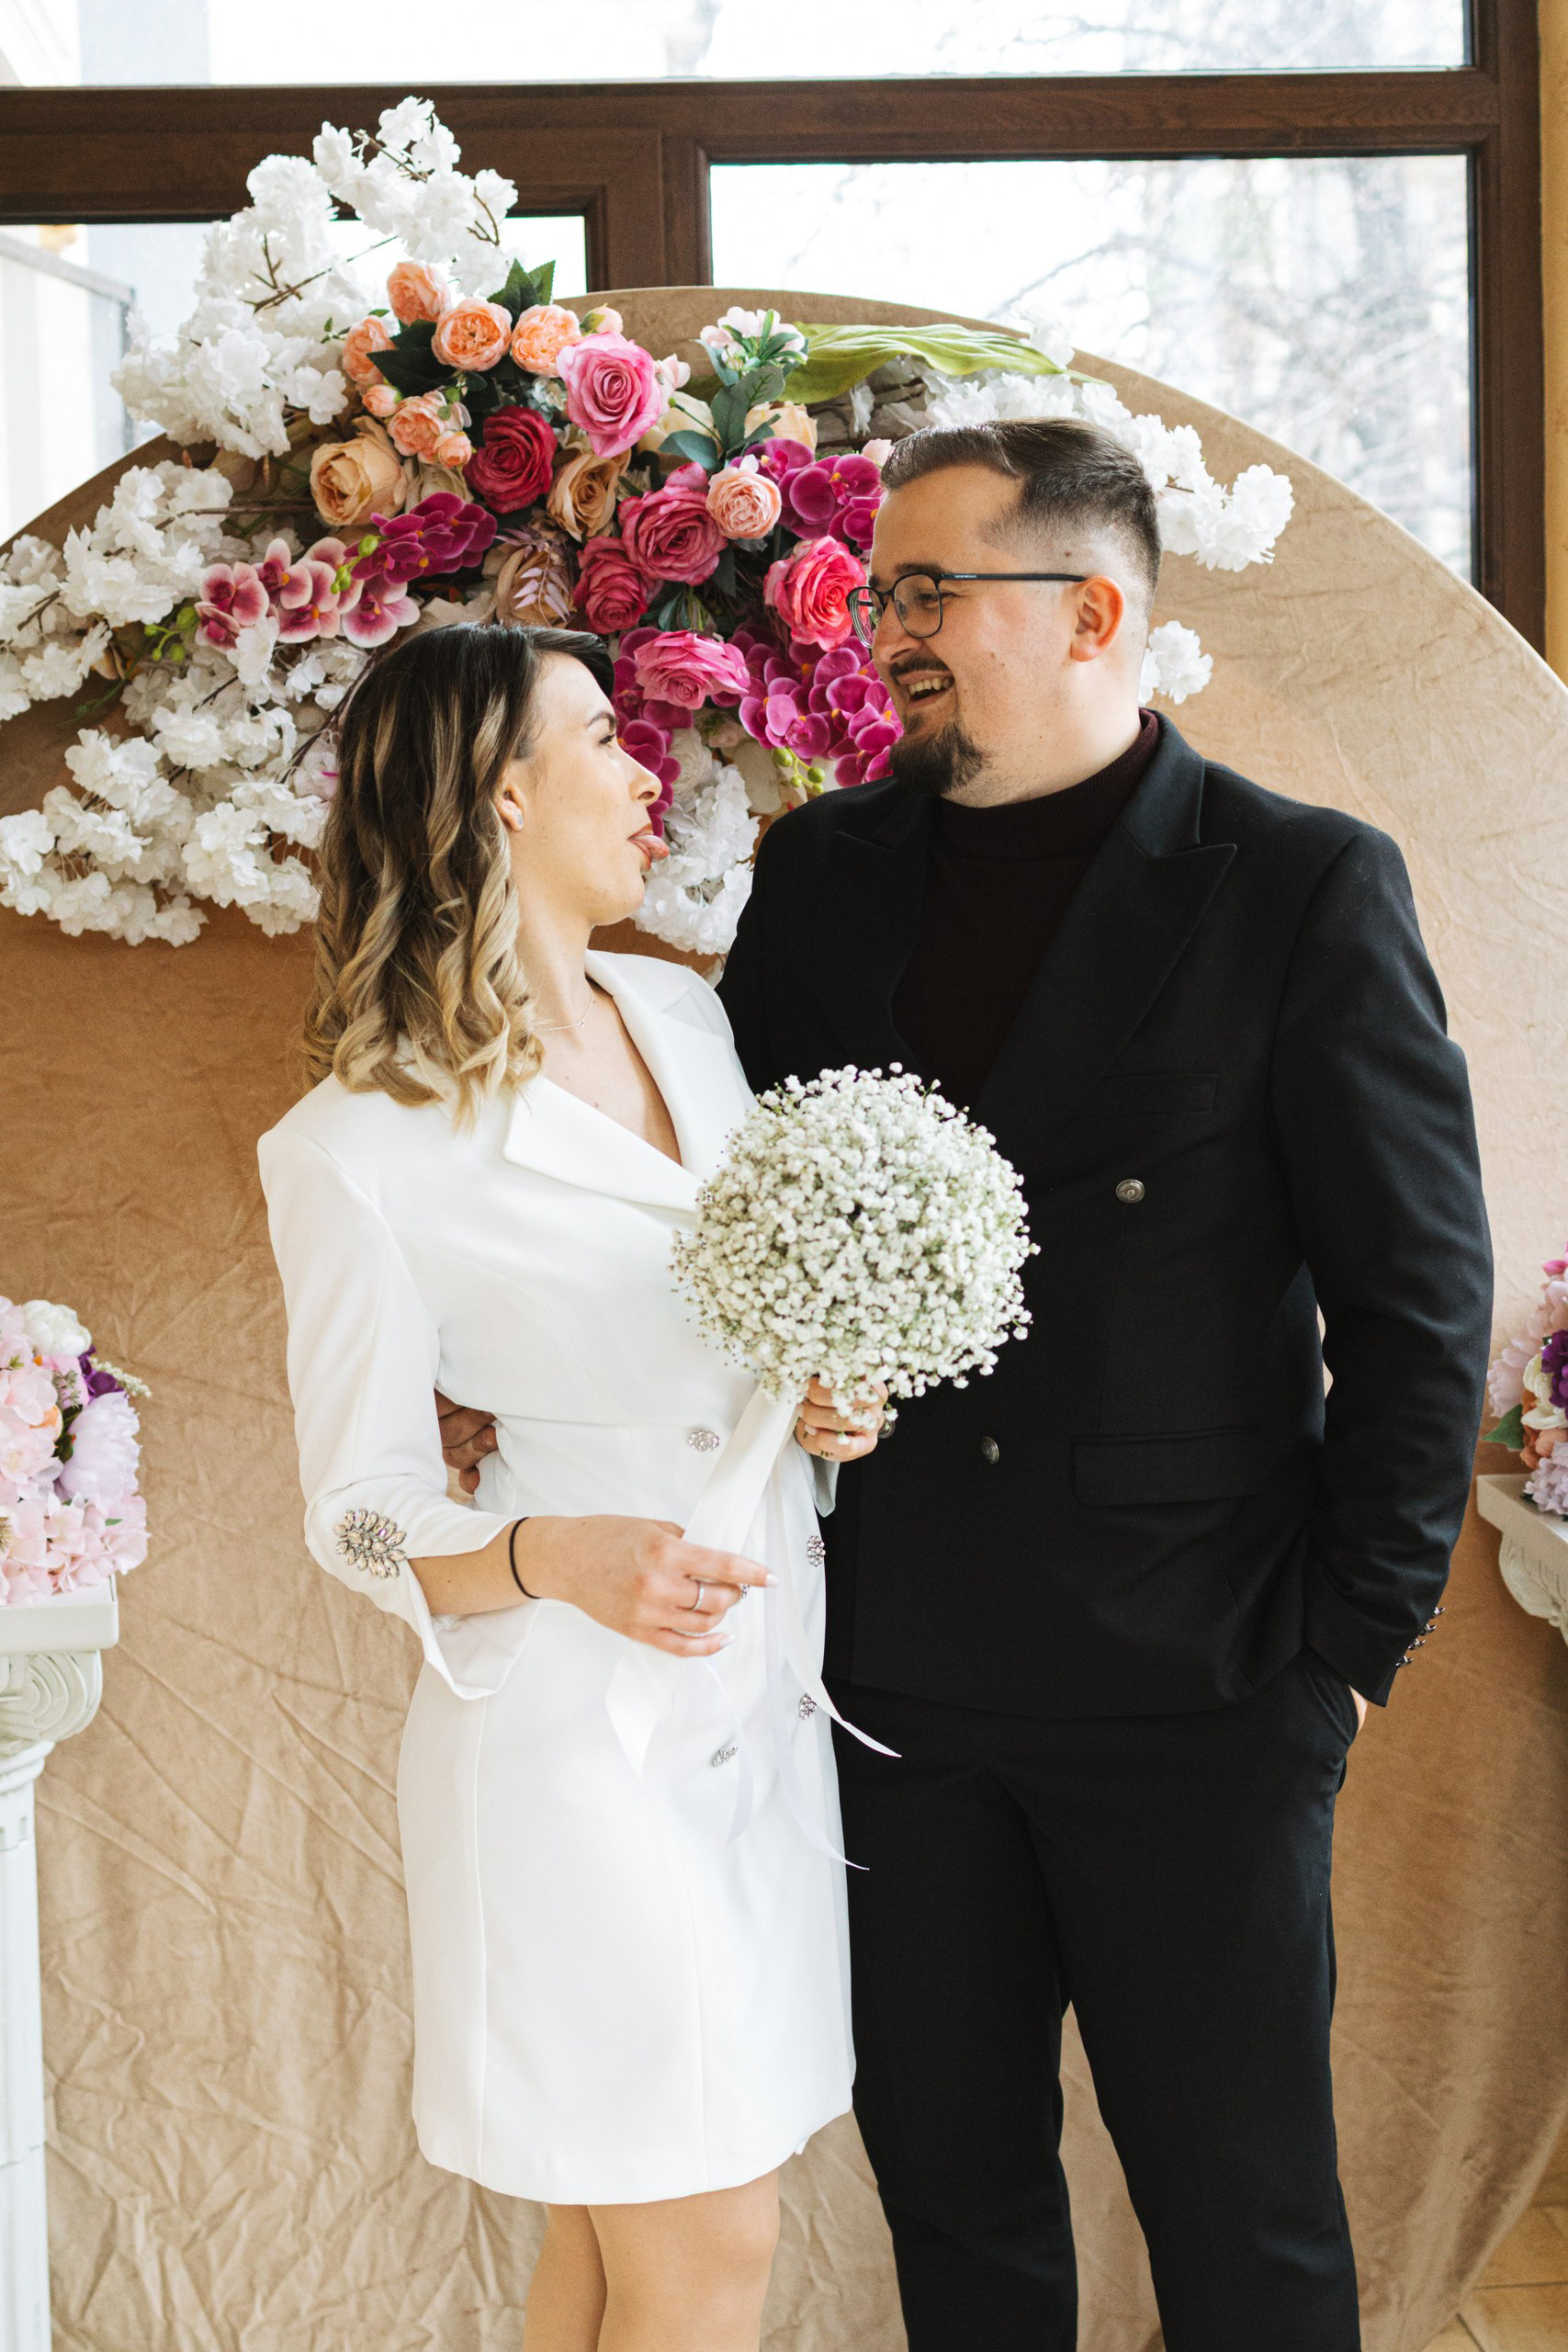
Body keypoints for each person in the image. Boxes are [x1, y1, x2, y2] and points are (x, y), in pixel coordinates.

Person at [445, 416, 1494, 2349]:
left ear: (1089, 612)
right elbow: (721, 1221)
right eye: (884, 591)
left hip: (1202, 1679)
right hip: (892, 1679)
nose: (887, 630)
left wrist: (1341, 1652)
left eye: (931, 590)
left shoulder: (1296, 882)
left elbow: (1417, 1299)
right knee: (960, 2210)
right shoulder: (826, 870)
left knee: (1245, 2217)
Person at [258, 622, 884, 2352]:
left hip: (759, 1702)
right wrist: (550, 1551)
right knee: (709, 2242)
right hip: (571, 1751)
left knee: (612, 2251)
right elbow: (359, 1508)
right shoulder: (354, 1149)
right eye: (605, 736)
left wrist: (818, 1401)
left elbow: (719, 1335)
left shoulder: (680, 1016)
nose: (644, 769)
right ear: (502, 797)